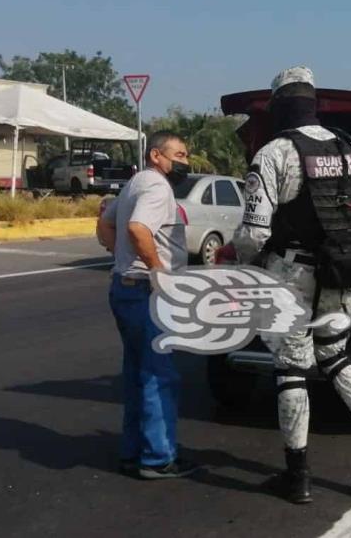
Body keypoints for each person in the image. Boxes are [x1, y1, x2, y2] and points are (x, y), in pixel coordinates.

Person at [229, 66, 351, 503]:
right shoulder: (349, 150)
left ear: (279, 108)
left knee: (291, 369)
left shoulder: (274, 153)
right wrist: (346, 245)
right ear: (313, 105)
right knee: (335, 356)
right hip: (340, 274)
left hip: (292, 275)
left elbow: (253, 233)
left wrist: (248, 263)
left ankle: (298, 475)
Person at [96, 131, 198, 479]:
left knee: (137, 373)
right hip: (146, 293)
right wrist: (155, 270)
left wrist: (120, 258)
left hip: (124, 289)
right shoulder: (156, 186)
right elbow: (139, 228)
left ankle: (134, 451)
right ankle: (158, 457)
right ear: (157, 155)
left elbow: (105, 224)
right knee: (159, 375)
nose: (185, 161)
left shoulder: (135, 182)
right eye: (180, 154)